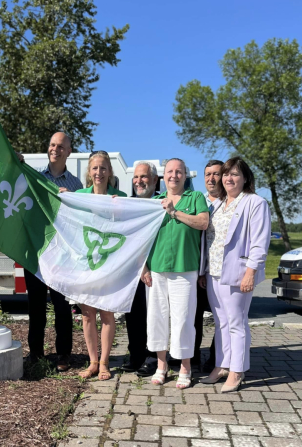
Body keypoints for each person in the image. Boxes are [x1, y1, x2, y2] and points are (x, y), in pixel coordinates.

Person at [199, 157, 271, 392]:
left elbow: (260, 243)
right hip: (214, 272)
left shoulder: (255, 203)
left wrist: (251, 272)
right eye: (226, 174)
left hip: (238, 273)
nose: (229, 178)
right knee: (221, 323)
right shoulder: (218, 204)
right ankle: (221, 365)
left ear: (245, 178)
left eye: (235, 174)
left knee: (237, 323)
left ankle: (237, 371)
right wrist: (203, 270)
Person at [141, 158, 209, 388]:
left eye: (179, 172)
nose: (174, 175)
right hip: (157, 269)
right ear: (163, 176)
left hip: (185, 268)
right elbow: (143, 237)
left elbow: (203, 223)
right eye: (170, 171)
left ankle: (185, 366)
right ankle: (162, 365)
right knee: (157, 318)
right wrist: (144, 267)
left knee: (183, 319)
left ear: (185, 176)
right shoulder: (154, 201)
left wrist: (174, 212)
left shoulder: (196, 198)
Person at [23, 132, 83, 372]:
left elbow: (80, 220)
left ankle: (63, 354)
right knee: (35, 306)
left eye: (60, 146)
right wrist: (17, 161)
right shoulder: (35, 177)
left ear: (69, 151)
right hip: (38, 252)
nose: (55, 149)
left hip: (63, 256)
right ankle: (35, 352)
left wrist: (73, 200)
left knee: (61, 308)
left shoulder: (76, 185)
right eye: (52, 145)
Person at [76, 151, 127, 380]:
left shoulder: (121, 197)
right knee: (87, 315)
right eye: (95, 168)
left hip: (110, 264)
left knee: (107, 314)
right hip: (85, 264)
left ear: (110, 172)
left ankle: (105, 363)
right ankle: (92, 362)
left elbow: (129, 229)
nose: (99, 172)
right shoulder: (79, 196)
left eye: (103, 168)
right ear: (89, 172)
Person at [120, 162, 159, 375]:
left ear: (154, 180)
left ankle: (152, 357)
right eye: (136, 177)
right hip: (133, 270)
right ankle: (135, 354)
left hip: (157, 269)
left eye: (144, 177)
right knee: (133, 315)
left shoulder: (162, 203)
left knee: (153, 315)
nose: (139, 181)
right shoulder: (129, 204)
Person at [194, 160, 223, 371]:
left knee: (221, 316)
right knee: (193, 316)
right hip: (197, 270)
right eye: (207, 174)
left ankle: (215, 358)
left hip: (220, 271)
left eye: (215, 174)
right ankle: (192, 355)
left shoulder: (230, 203)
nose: (211, 179)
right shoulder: (197, 201)